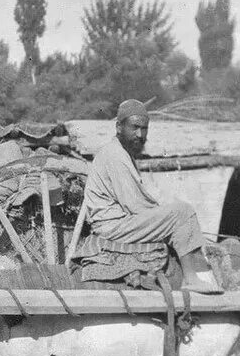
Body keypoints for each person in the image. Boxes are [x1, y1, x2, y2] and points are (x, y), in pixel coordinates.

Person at [82, 99, 223, 294]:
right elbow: (136, 205)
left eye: (144, 129)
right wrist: (167, 219)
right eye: (134, 127)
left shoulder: (121, 152)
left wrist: (161, 215)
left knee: (174, 213)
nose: (140, 134)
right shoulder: (115, 156)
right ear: (119, 127)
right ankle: (191, 279)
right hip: (113, 226)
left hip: (118, 221)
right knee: (182, 211)